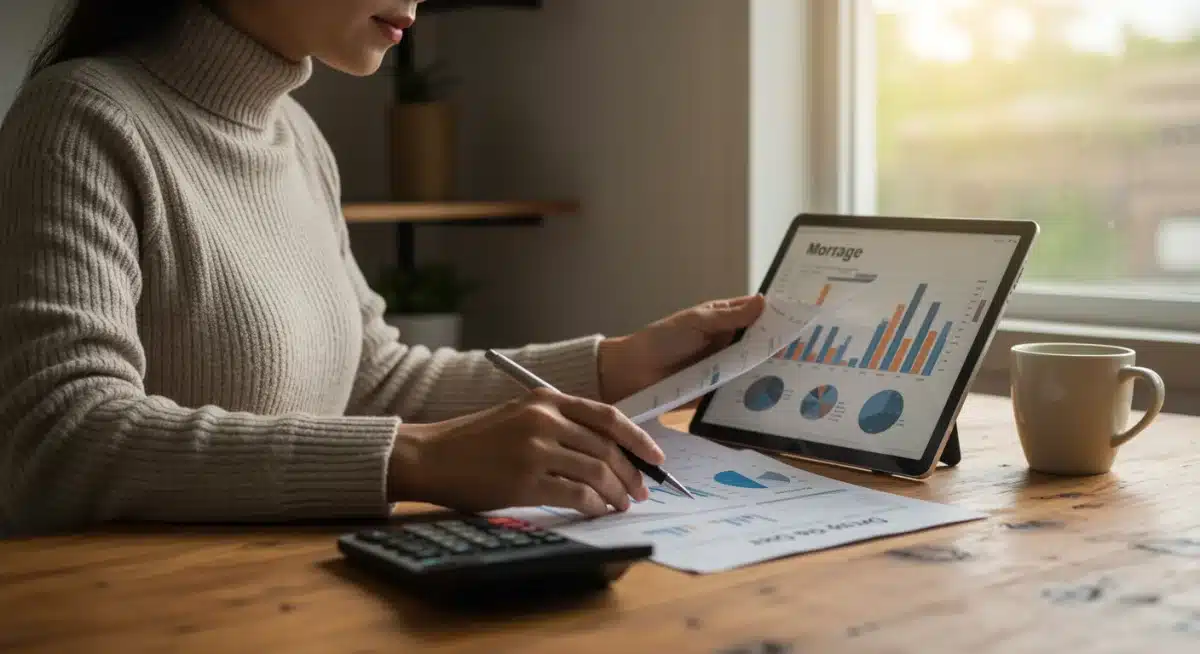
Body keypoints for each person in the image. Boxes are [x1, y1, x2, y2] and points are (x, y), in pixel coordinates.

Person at [0, 0, 765, 536]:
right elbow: (61, 440)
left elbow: (370, 379)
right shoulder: (79, 120)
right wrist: (419, 459)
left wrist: (619, 364)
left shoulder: (295, 137)